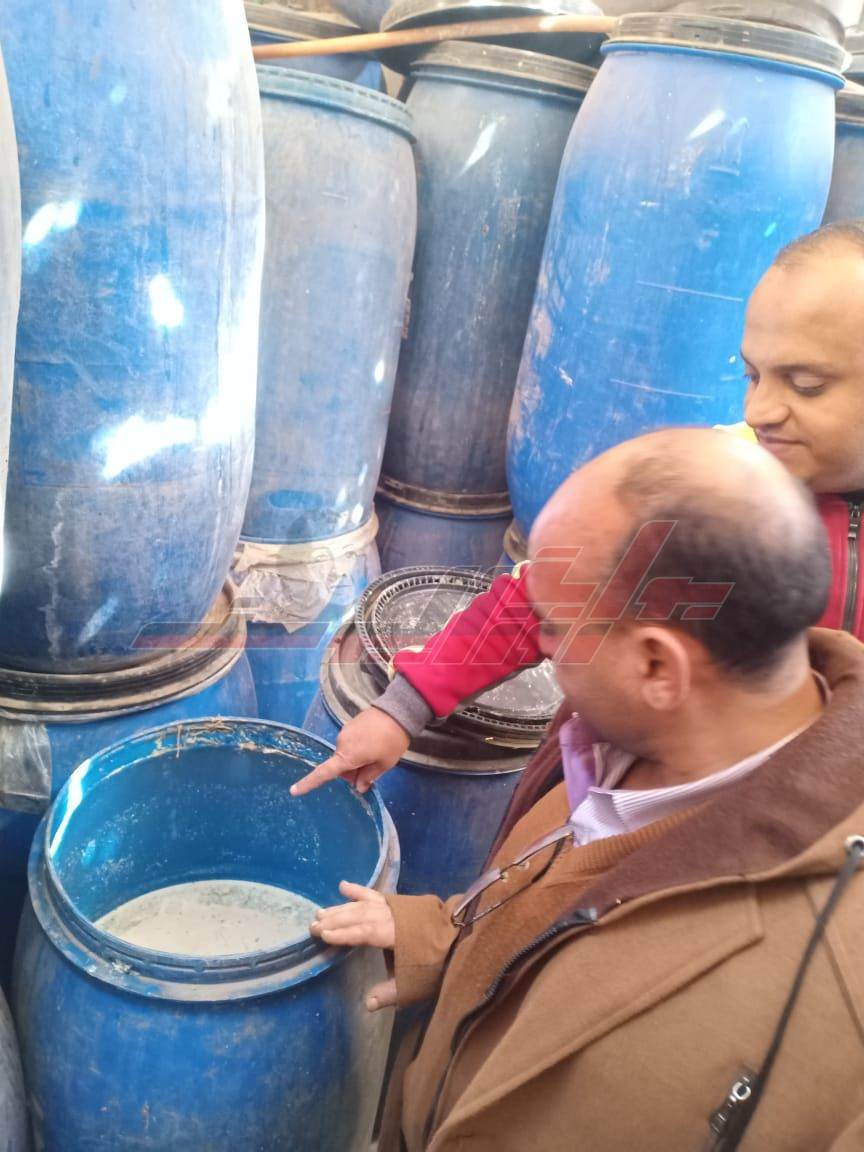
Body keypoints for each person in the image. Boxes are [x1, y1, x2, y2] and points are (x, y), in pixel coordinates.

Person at [310, 429, 864, 1151]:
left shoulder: (826, 1009)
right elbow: (556, 907)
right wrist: (443, 938)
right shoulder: (624, 746)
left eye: (553, 626)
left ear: (658, 668)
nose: (536, 644)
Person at [291, 220, 864, 801]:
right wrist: (404, 707)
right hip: (626, 798)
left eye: (806, 385)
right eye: (752, 375)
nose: (761, 409)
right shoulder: (717, 481)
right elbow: (543, 595)